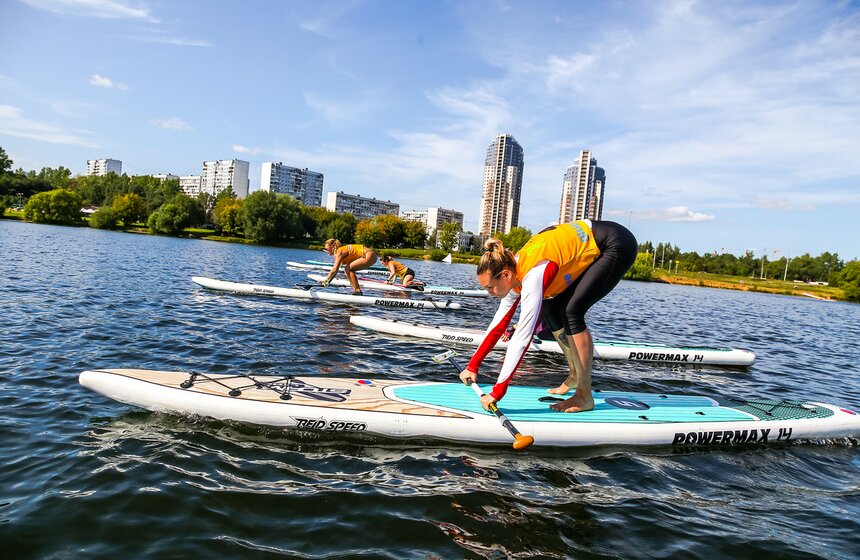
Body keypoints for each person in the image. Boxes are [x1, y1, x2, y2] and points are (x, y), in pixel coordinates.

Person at [459, 220, 637, 413]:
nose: (489, 293)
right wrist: (472, 366)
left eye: (490, 287)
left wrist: (498, 391)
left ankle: (584, 395)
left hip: (615, 243)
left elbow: (523, 337)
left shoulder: (533, 274)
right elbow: (498, 326)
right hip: (592, 241)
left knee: (572, 312)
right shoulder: (511, 270)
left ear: (506, 275)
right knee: (550, 308)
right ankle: (575, 375)